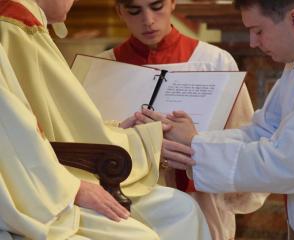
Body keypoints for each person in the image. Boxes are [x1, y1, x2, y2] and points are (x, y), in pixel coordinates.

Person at [138, 0, 294, 239]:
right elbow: (264, 131)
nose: (253, 42)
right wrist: (194, 140)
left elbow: (285, 162)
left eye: (258, 30)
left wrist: (195, 149)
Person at [0, 0, 211, 239]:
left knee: (181, 210)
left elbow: (50, 125)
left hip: (57, 171)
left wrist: (119, 133)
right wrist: (72, 188)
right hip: (47, 185)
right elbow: (16, 137)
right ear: (120, 11)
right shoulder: (12, 26)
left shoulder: (25, 22)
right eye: (134, 10)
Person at [97, 0, 267, 239]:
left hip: (201, 200)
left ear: (172, 3)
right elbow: (88, 146)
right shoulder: (102, 68)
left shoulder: (215, 62)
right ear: (119, 11)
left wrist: (197, 142)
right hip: (128, 205)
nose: (148, 20)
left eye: (157, 7)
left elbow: (241, 137)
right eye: (134, 11)